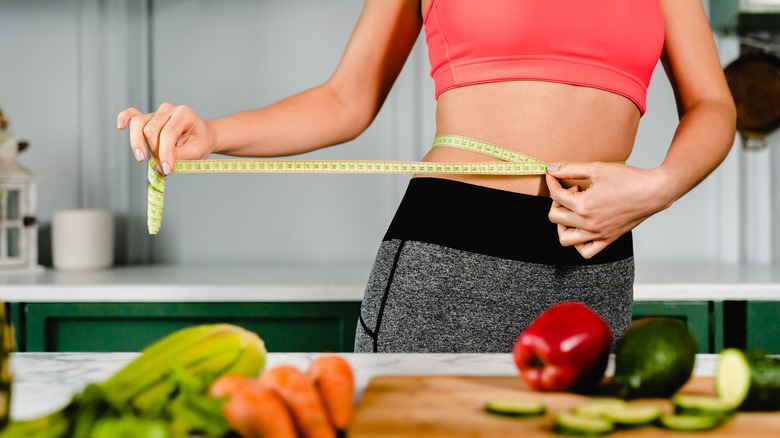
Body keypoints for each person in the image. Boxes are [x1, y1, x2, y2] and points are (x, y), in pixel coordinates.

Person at [117, 0, 736, 353]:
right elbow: (345, 100)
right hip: (448, 265)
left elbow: (714, 104)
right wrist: (216, 134)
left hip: (594, 261)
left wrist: (657, 188)